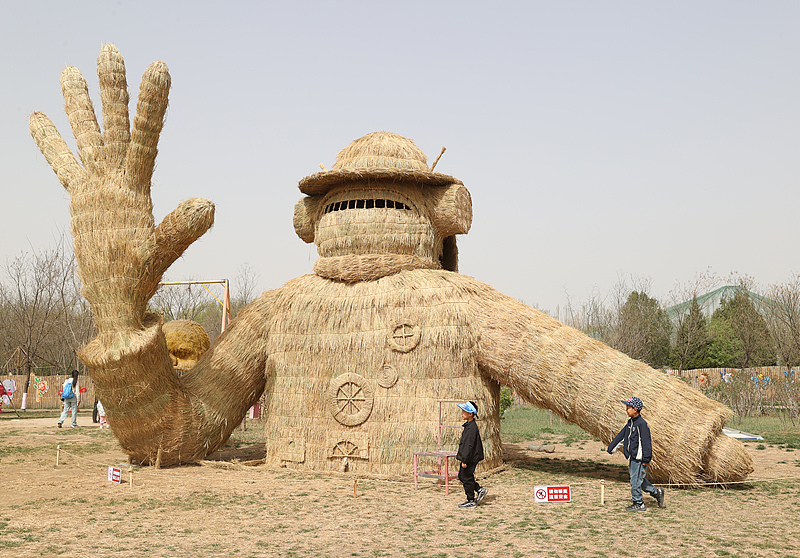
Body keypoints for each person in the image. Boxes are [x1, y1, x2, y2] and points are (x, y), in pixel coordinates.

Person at [608, 396, 665, 511]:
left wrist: (646, 459)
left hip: (640, 459)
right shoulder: (630, 423)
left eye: (628, 407)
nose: (626, 410)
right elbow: (622, 436)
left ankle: (639, 503)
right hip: (632, 458)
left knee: (635, 481)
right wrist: (611, 448)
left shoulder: (641, 424)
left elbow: (646, 442)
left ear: (635, 409)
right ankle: (657, 492)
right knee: (640, 480)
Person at [455, 401, 488, 509]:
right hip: (471, 456)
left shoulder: (471, 428)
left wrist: (465, 460)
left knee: (465, 476)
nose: (462, 413)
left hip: (470, 457)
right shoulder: (469, 426)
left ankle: (471, 500)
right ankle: (479, 489)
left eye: (464, 411)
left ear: (470, 414)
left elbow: (469, 446)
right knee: (462, 476)